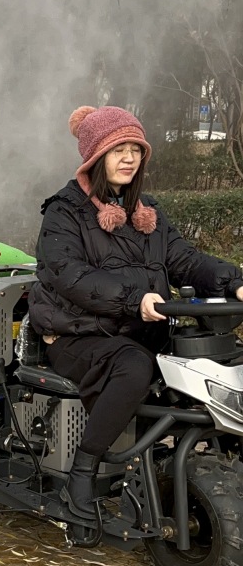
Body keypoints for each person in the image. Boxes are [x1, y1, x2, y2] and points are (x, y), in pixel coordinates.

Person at [28, 105, 243, 520]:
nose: (129, 157)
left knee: (221, 357)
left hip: (139, 330)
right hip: (78, 336)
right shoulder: (65, 212)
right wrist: (133, 300)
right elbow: (68, 275)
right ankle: (83, 472)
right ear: (94, 156)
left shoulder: (149, 214)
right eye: (117, 149)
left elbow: (186, 260)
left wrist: (232, 280)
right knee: (133, 366)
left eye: (135, 149)